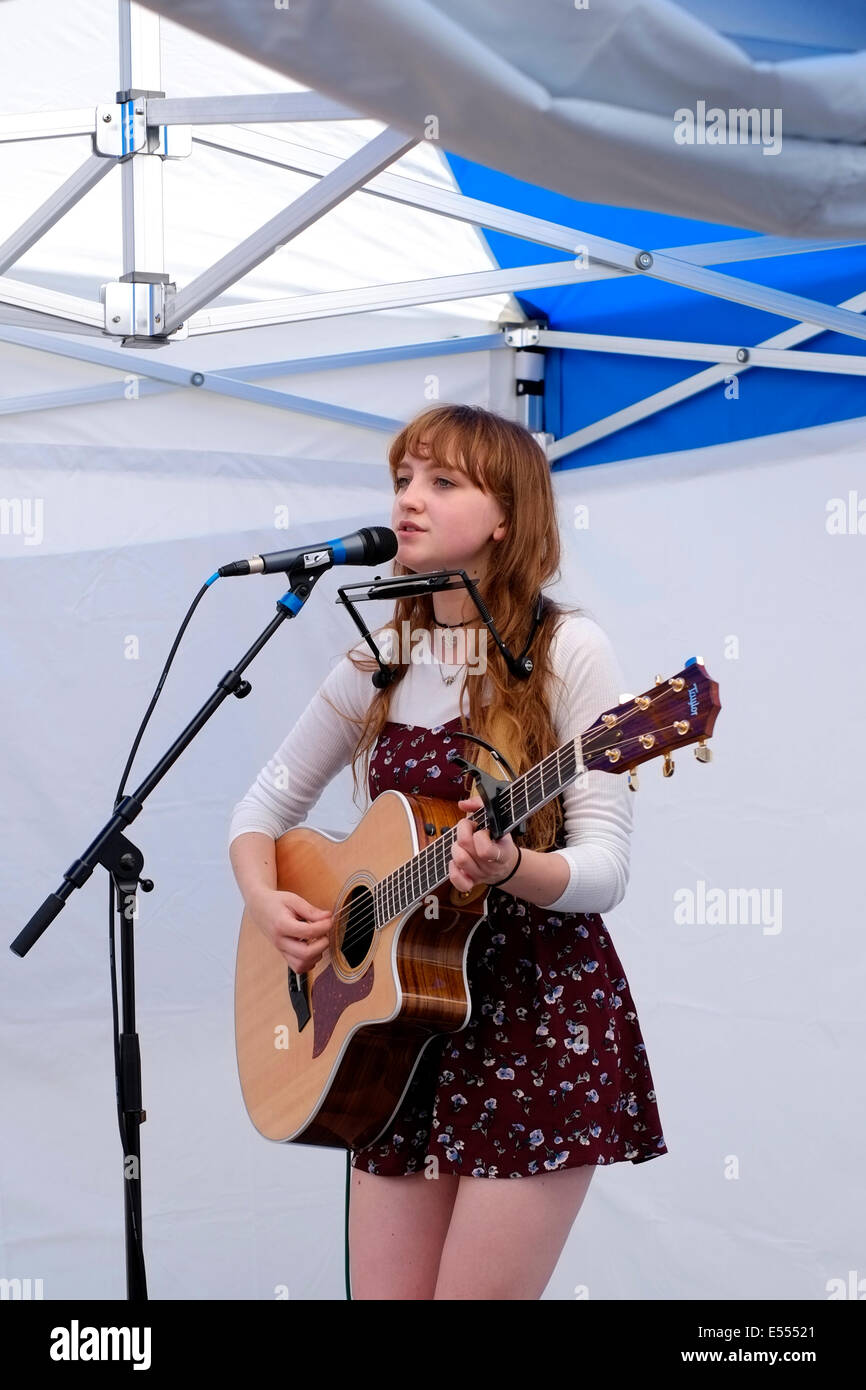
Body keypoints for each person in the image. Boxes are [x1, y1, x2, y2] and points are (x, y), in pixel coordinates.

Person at [228, 403, 667, 1300]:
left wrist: (510, 867)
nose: (408, 501)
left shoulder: (565, 649)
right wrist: (267, 902)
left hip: (535, 1022)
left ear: (507, 514)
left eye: (442, 481)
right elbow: (261, 808)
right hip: (398, 1035)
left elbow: (605, 871)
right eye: (402, 480)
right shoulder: (381, 654)